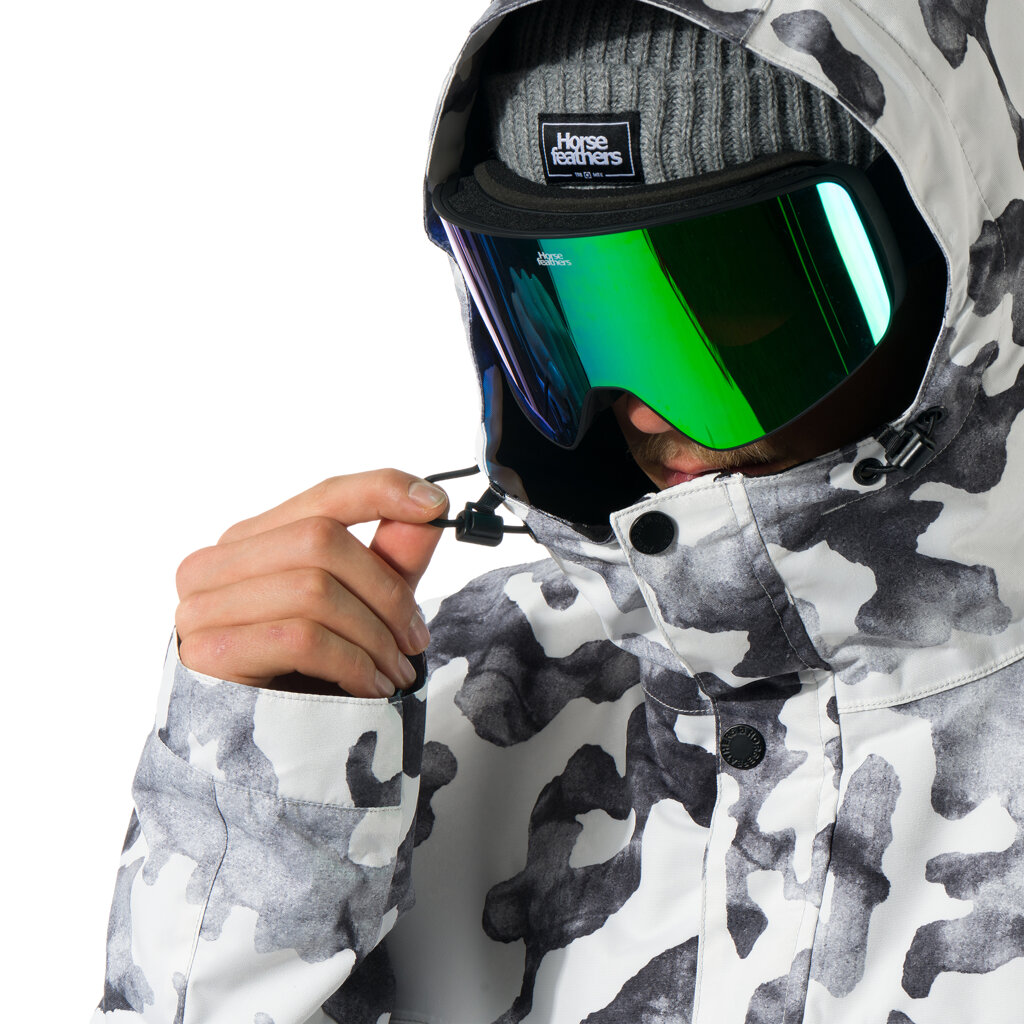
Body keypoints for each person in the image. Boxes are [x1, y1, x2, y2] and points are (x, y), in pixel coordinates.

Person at [93, 0, 1024, 1021]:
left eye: (729, 303)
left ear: (963, 279)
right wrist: (249, 814)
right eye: (580, 317)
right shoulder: (456, 699)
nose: (639, 410)